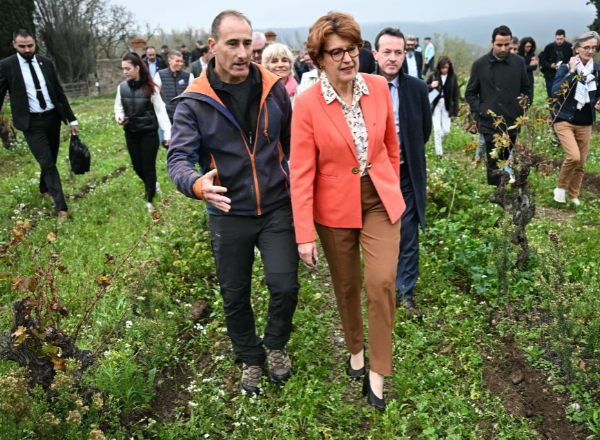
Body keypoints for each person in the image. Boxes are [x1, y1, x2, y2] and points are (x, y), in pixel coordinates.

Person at [167, 10, 298, 395]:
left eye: (247, 43)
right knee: (235, 292)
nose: (243, 52)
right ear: (212, 47)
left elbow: (291, 145)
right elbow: (178, 159)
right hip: (228, 212)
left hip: (276, 207)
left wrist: (296, 183)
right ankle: (251, 359)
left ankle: (274, 346)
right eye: (233, 43)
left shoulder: (274, 88)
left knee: (284, 285)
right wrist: (195, 185)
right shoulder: (194, 101)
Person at [291, 12, 404, 412]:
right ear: (319, 58)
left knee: (380, 281)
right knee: (347, 286)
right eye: (336, 52)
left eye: (352, 49)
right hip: (334, 209)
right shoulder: (305, 105)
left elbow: (391, 146)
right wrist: (304, 232)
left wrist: (388, 180)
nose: (346, 58)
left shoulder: (377, 86)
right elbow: (301, 174)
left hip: (379, 201)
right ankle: (354, 347)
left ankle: (377, 369)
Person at [0, 29, 78, 223]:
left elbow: (59, 93)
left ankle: (44, 189)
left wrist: (72, 119)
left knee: (50, 157)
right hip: (31, 123)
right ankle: (62, 208)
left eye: (30, 46)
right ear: (14, 45)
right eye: (22, 46)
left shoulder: (47, 62)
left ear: (34, 43)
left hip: (52, 118)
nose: (27, 50)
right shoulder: (7, 65)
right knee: (47, 163)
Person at [373, 27, 431, 320]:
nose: (392, 58)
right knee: (379, 233)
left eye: (398, 52)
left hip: (405, 172)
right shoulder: (361, 86)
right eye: (387, 52)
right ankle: (380, 289)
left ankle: (406, 294)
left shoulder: (417, 89)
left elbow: (424, 131)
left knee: (407, 231)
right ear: (375, 54)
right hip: (371, 176)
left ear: (405, 54)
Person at [464, 25, 530, 186]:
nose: (503, 48)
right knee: (493, 160)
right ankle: (495, 194)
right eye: (499, 45)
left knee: (506, 157)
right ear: (492, 42)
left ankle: (504, 190)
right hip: (489, 121)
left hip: (512, 120)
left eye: (506, 45)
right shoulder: (480, 65)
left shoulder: (519, 63)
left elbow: (526, 90)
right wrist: (482, 110)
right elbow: (470, 93)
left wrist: (521, 108)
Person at [550, 31, 600, 207]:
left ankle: (573, 196)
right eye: (586, 47)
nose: (590, 51)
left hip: (585, 120)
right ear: (577, 49)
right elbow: (556, 92)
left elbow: (597, 94)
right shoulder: (565, 68)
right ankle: (560, 188)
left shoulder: (597, 70)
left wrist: (598, 104)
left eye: (593, 48)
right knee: (573, 157)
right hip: (564, 118)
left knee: (581, 163)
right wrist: (573, 71)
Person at [115, 53, 171, 213]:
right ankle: (153, 185)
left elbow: (161, 112)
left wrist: (167, 134)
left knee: (148, 168)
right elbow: (118, 107)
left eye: (128, 68)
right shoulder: (122, 88)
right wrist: (119, 118)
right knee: (137, 168)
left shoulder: (150, 88)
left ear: (137, 68)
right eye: (123, 69)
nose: (125, 72)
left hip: (149, 134)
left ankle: (149, 200)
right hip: (131, 133)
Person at [154, 50, 193, 147]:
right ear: (169, 61)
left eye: (181, 61)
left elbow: (193, 96)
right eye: (177, 61)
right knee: (165, 141)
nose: (180, 64)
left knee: (182, 143)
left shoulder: (188, 76)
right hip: (167, 115)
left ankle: (179, 160)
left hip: (183, 116)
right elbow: (155, 95)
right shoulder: (160, 75)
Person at [426, 55, 459, 159]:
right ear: (439, 67)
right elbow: (423, 87)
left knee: (446, 130)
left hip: (447, 104)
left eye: (447, 67)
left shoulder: (453, 76)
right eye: (443, 67)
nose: (445, 70)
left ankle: (438, 139)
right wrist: (431, 85)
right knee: (437, 129)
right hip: (435, 104)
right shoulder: (433, 75)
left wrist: (456, 110)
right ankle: (439, 153)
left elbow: (456, 94)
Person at [540, 29, 573, 99]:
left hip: (565, 76)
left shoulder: (569, 47)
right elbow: (543, 61)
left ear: (565, 37)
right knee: (552, 97)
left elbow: (572, 59)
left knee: (564, 97)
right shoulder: (549, 47)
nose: (559, 41)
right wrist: (550, 66)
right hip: (551, 76)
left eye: (561, 39)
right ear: (555, 38)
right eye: (557, 39)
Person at [519, 37, 538, 104]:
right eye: (527, 46)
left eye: (530, 47)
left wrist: (525, 66)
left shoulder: (531, 54)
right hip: (520, 80)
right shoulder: (518, 55)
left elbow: (534, 67)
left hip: (529, 79)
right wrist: (529, 66)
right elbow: (518, 67)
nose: (529, 48)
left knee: (530, 99)